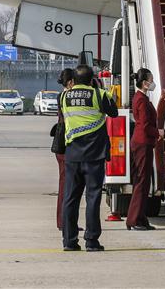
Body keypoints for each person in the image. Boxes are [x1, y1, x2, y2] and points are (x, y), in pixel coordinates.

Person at [60, 64, 119, 252]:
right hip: (94, 155)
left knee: (70, 198)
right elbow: (114, 112)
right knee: (92, 198)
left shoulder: (63, 96)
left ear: (73, 80)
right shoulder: (99, 94)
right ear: (92, 79)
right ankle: (91, 241)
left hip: (72, 155)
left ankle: (69, 241)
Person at [126, 68, 160, 231]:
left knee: (143, 182)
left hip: (142, 142)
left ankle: (140, 217)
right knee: (141, 181)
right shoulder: (141, 99)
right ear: (145, 83)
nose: (153, 83)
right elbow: (145, 125)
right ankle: (134, 219)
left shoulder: (141, 98)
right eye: (151, 80)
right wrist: (158, 132)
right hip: (143, 142)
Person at [54, 68, 75, 232]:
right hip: (64, 145)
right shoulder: (66, 97)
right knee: (65, 185)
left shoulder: (62, 96)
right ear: (70, 83)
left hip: (61, 144)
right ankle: (63, 221)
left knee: (66, 184)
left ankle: (64, 220)